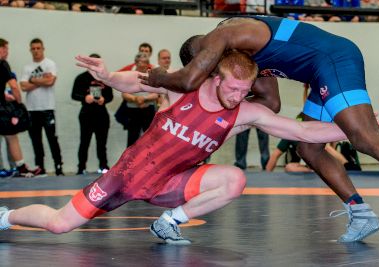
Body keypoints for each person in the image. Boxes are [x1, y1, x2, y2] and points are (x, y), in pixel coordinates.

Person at [141, 16, 379, 241]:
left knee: (363, 135)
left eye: (208, 71)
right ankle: (361, 214)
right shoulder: (242, 56)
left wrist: (159, 79)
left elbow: (186, 80)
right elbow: (270, 102)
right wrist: (226, 112)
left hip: (334, 60)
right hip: (319, 73)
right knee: (308, 148)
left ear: (204, 57)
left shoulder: (228, 34)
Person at [0, 51, 349, 245]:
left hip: (172, 184)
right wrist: (107, 77)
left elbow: (301, 131)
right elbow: (138, 81)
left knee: (234, 180)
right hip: (126, 177)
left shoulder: (246, 111)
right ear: (216, 78)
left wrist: (350, 129)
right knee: (60, 224)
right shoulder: (182, 90)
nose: (237, 97)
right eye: (232, 89)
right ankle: (5, 217)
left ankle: (169, 222)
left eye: (244, 91)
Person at [19, 38, 64, 176]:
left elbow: (50, 81)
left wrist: (32, 80)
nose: (36, 51)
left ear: (43, 49)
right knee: (36, 140)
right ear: (30, 50)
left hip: (47, 108)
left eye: (38, 48)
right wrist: (41, 81)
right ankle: (41, 168)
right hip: (32, 109)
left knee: (52, 139)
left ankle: (58, 167)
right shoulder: (27, 67)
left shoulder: (50, 64)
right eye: (33, 48)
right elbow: (22, 86)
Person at [0, 38, 41, 178]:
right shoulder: (3, 64)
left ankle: (20, 166)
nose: (7, 52)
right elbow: (13, 86)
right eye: (4, 49)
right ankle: (21, 167)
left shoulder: (3, 64)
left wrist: (4, 97)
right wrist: (18, 103)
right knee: (11, 136)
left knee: (10, 135)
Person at [71, 53, 113, 175]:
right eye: (91, 63)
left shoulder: (105, 79)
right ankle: (81, 167)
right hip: (86, 114)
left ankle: (103, 166)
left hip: (101, 115)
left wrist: (104, 99)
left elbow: (110, 96)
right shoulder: (81, 78)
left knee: (102, 143)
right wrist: (85, 98)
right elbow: (74, 95)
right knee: (84, 142)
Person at [122, 53, 159, 147]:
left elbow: (157, 94)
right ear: (135, 63)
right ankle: (129, 161)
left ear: (148, 64)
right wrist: (135, 99)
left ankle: (148, 160)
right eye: (140, 62)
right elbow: (124, 94)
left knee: (149, 138)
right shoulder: (128, 76)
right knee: (132, 138)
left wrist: (144, 99)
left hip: (148, 110)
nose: (142, 64)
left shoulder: (152, 76)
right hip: (133, 111)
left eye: (145, 62)